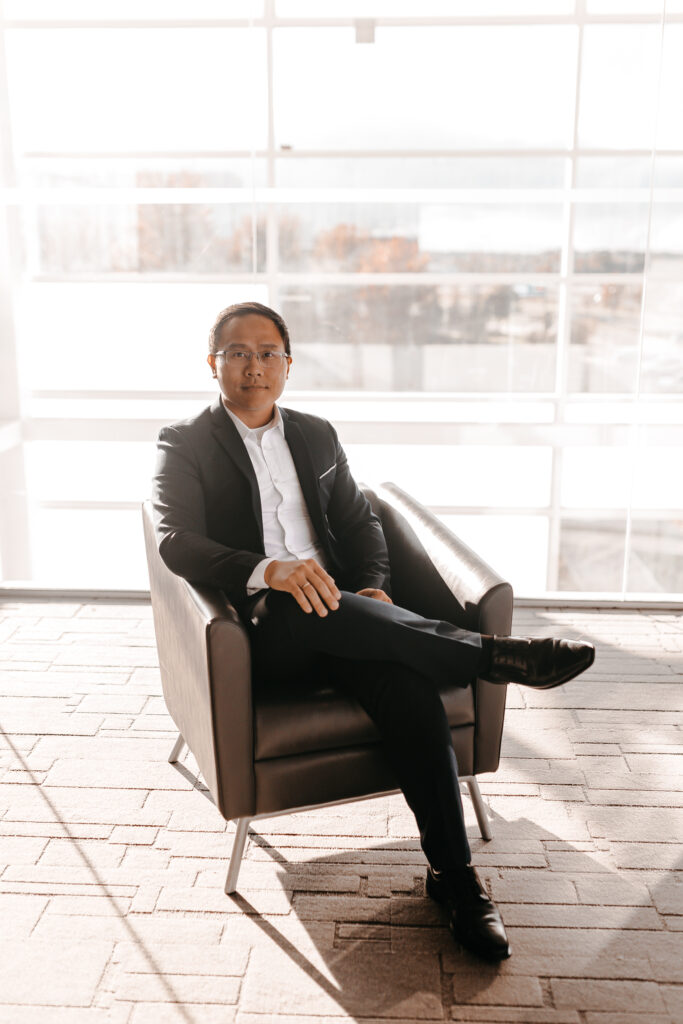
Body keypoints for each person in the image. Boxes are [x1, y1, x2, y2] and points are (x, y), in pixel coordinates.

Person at [152, 301, 595, 962]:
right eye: (237, 353)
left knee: (408, 690)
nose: (253, 367)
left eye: (267, 352)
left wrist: (373, 586)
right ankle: (491, 656)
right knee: (303, 597)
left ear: (288, 364)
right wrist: (266, 570)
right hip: (263, 631)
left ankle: (453, 878)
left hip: (347, 618)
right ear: (212, 363)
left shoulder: (315, 434)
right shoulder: (184, 441)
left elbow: (359, 521)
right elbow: (175, 541)